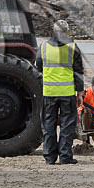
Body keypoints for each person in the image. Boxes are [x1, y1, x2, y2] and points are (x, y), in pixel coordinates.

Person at [35, 20, 84, 165]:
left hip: (49, 92)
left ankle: (49, 157)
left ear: (53, 30)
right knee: (67, 125)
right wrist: (80, 92)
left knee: (48, 124)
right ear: (67, 32)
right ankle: (65, 157)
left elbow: (38, 66)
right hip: (67, 92)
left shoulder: (43, 47)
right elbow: (79, 72)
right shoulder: (73, 47)